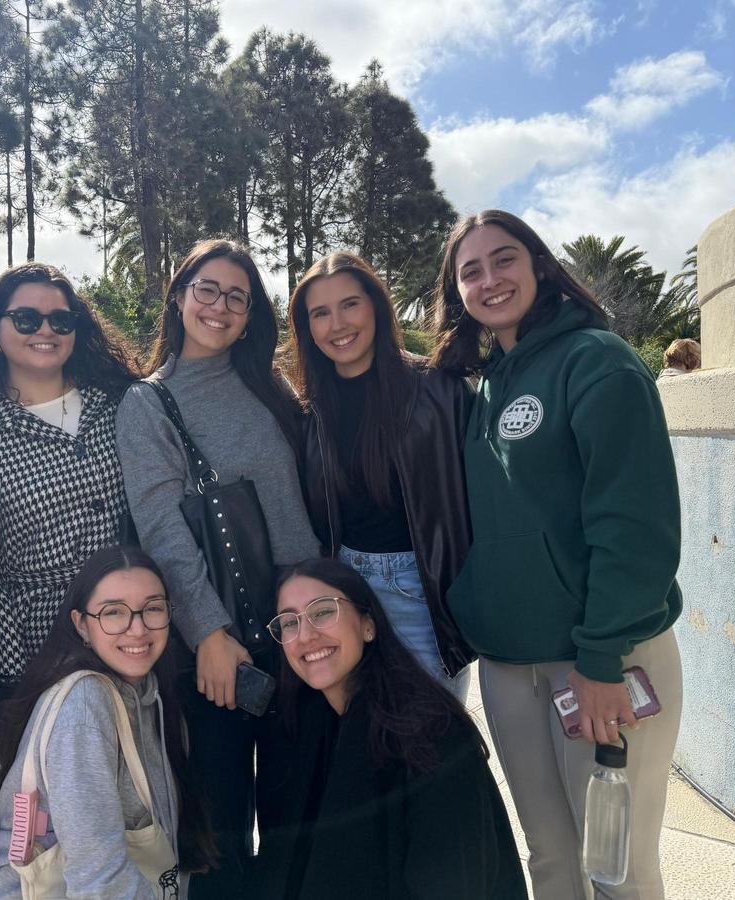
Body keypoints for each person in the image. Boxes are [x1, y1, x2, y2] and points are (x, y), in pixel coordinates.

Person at [432, 209, 683, 900]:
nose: (490, 280)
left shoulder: (596, 360)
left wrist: (603, 658)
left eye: (504, 258)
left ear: (540, 265)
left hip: (602, 661)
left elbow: (635, 525)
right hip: (513, 669)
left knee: (619, 869)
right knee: (550, 860)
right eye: (471, 270)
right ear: (458, 292)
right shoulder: (486, 386)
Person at [116, 238, 322, 898]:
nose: (221, 305)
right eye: (207, 288)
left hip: (303, 635)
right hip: (218, 644)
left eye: (238, 295)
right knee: (221, 838)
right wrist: (206, 631)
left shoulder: (272, 385)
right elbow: (162, 529)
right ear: (179, 298)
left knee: (302, 825)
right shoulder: (149, 404)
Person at [255, 557, 526, 899]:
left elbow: (454, 881)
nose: (306, 635)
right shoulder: (309, 725)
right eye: (289, 622)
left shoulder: (428, 731)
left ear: (368, 624)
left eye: (323, 612)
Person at [0, 545, 216, 900]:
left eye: (153, 608)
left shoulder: (155, 697)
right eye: (114, 612)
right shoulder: (84, 706)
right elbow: (99, 881)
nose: (137, 627)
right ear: (81, 625)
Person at [0, 263, 139, 730]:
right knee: (41, 800)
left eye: (61, 319)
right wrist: (5, 679)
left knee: (145, 789)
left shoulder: (121, 405)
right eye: (27, 319)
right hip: (35, 654)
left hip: (132, 635)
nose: (46, 330)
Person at [288, 251, 475, 698]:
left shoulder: (438, 390)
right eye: (320, 313)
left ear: (376, 305)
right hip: (343, 591)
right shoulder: (309, 412)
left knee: (433, 748)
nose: (337, 325)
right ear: (307, 327)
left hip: (421, 588)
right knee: (363, 746)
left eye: (350, 304)